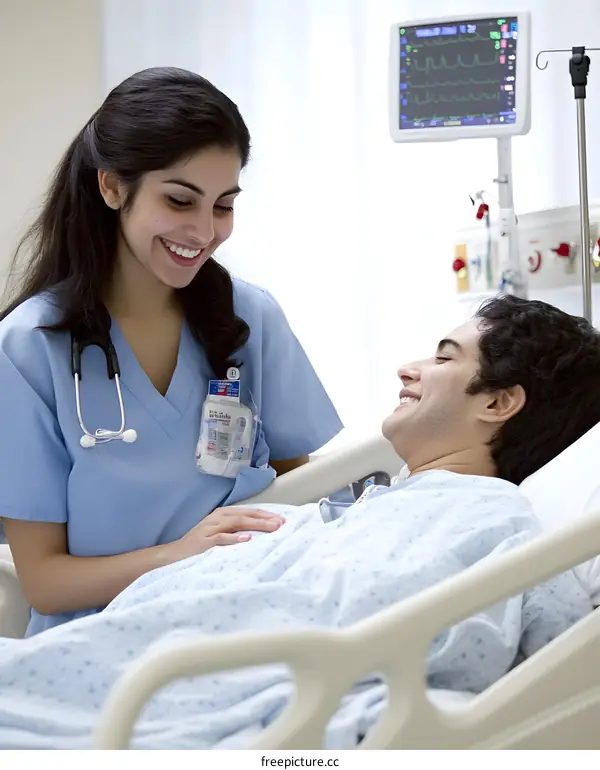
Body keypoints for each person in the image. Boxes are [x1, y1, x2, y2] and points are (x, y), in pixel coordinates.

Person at [0, 295, 597, 750]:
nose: (409, 369)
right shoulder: (386, 503)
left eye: (444, 357)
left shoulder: (482, 514)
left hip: (165, 692)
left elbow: (379, 616)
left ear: (497, 403)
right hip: (116, 664)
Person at [0, 67, 343, 637]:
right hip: (109, 636)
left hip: (252, 604)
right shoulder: (29, 349)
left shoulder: (249, 319)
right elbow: (45, 582)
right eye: (180, 200)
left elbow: (291, 492)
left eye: (224, 206)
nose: (204, 231)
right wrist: (182, 555)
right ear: (111, 188)